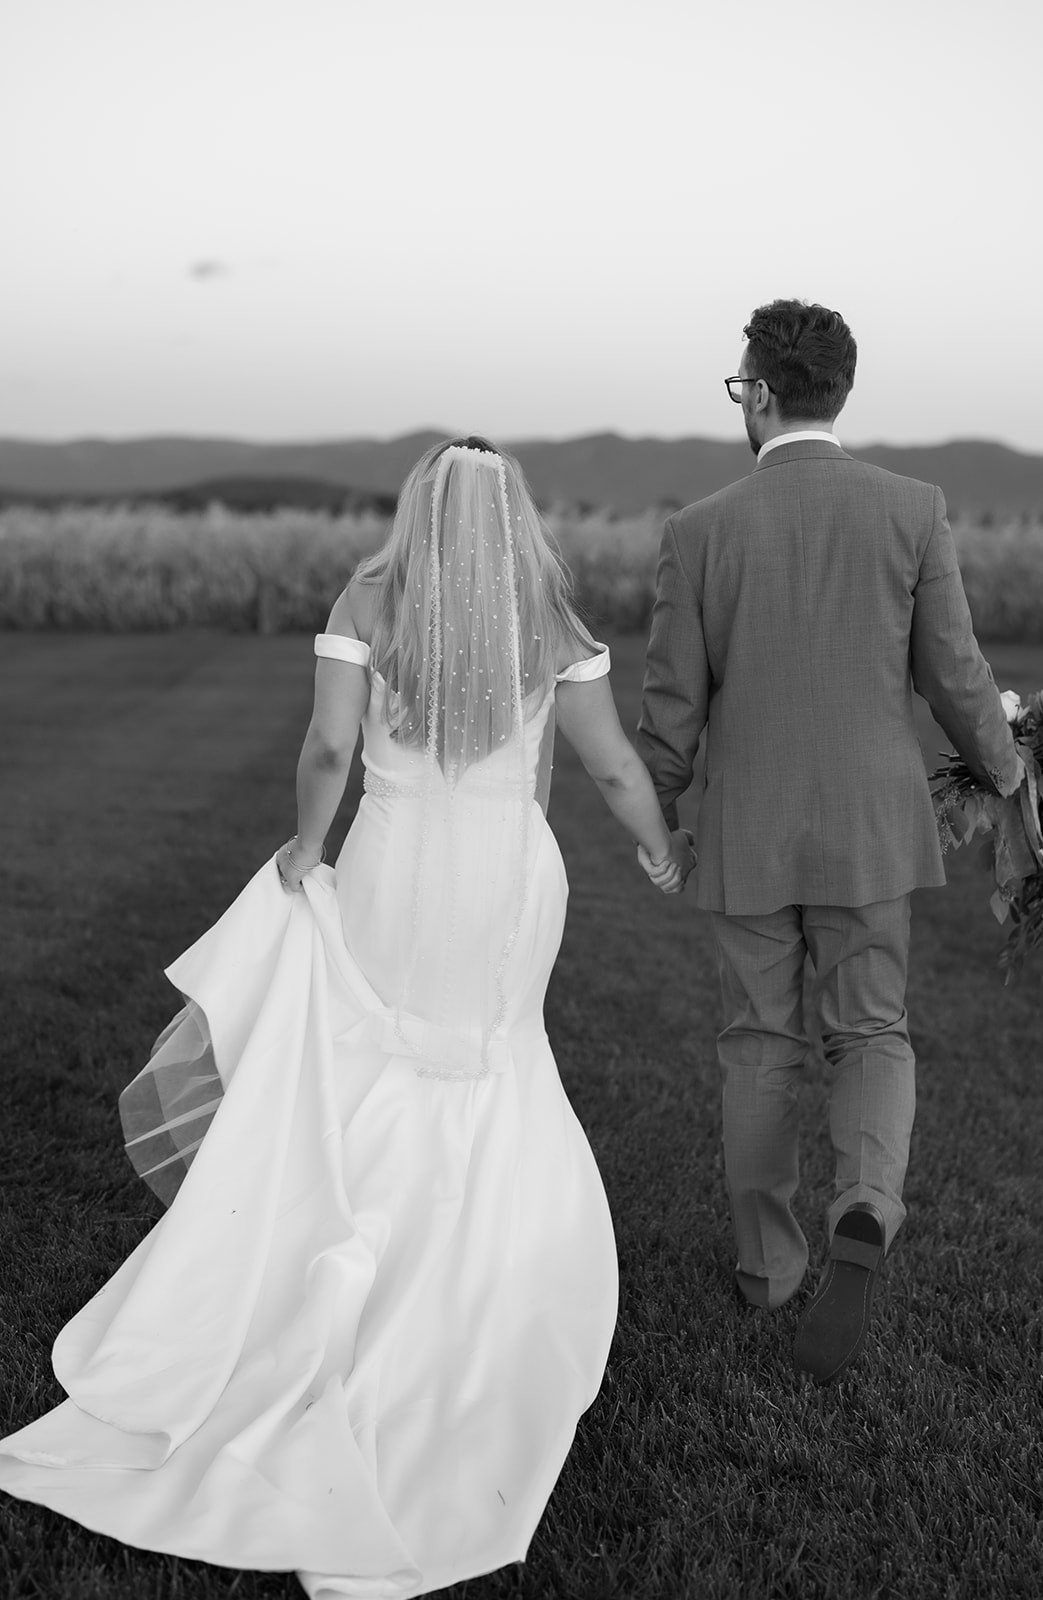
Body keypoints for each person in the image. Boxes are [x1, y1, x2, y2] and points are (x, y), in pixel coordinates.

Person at [0, 436, 691, 1598]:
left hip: (387, 862)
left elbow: (331, 744)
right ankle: (468, 1281)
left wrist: (303, 849)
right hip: (504, 878)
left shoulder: (370, 594)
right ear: (511, 518)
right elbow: (613, 763)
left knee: (367, 1059)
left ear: (421, 507)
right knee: (489, 1067)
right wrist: (657, 846)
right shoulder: (547, 614)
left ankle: (336, 1250)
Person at [636, 301, 1023, 1384]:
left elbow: (671, 704)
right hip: (865, 830)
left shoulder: (700, 528)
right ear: (835, 393)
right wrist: (1006, 771)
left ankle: (766, 1267)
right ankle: (863, 1201)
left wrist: (656, 803)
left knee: (757, 1042)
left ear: (759, 392)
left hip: (747, 828)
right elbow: (952, 673)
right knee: (870, 1031)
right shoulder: (911, 510)